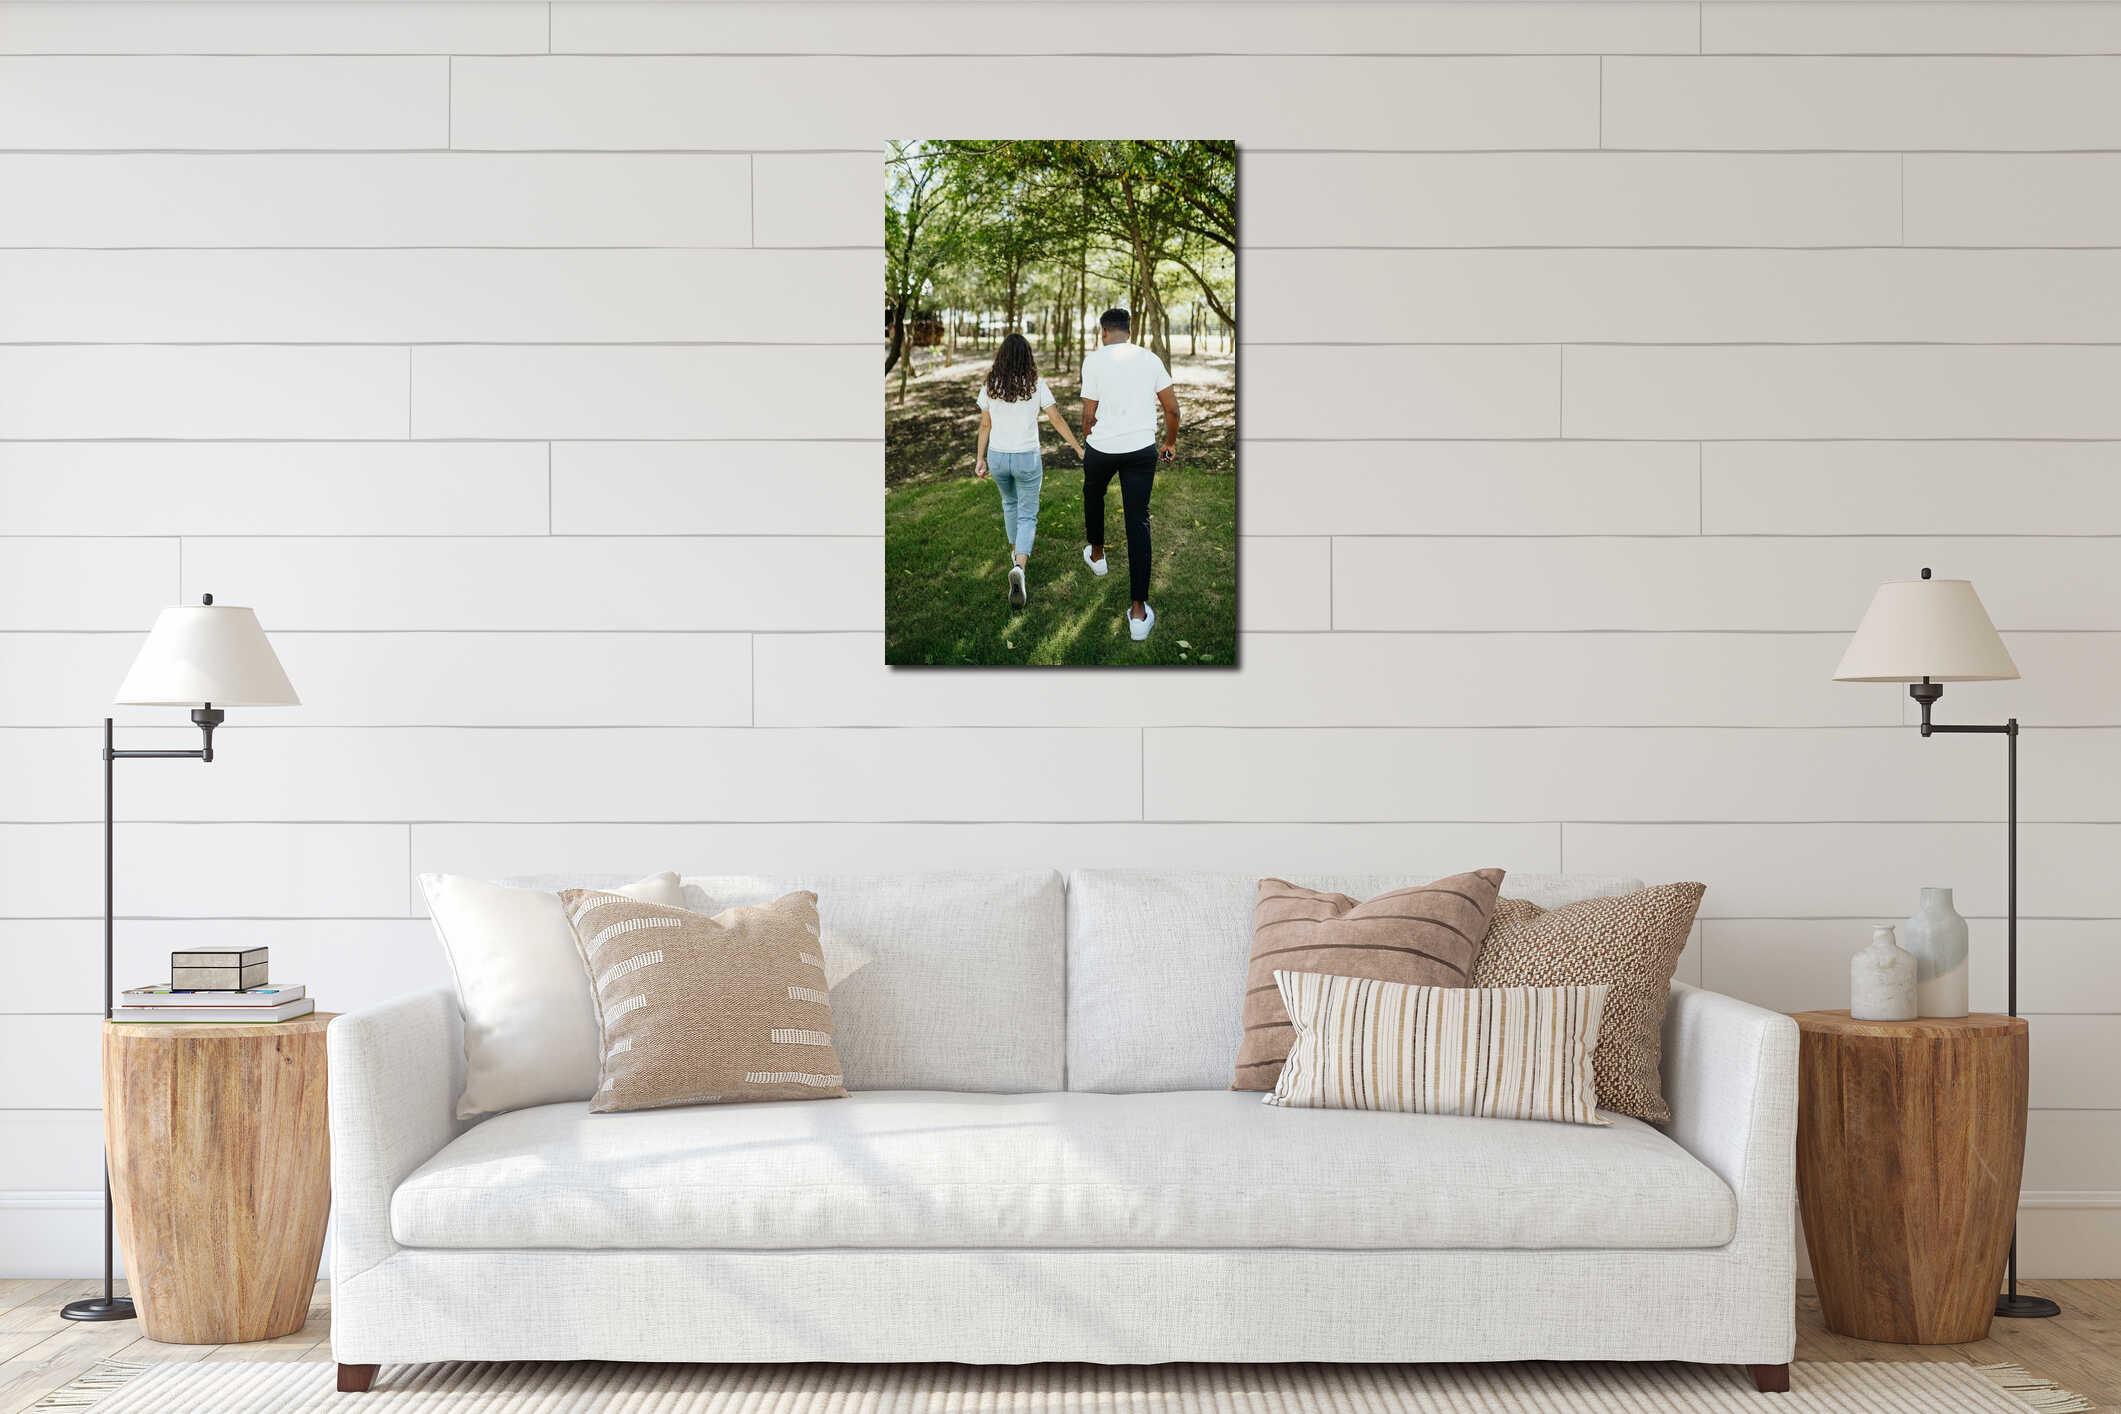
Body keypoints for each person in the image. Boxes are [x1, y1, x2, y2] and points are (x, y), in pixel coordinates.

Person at [1078, 308, 1179, 641]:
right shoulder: (1150, 359)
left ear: (1103, 332)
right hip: (1140, 449)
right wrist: (1169, 442)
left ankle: (1097, 554)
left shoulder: (1093, 360)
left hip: (1102, 448)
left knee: (1093, 493)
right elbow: (1172, 408)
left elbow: (1088, 413)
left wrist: (1090, 438)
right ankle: (1138, 613)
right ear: (1129, 331)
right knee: (1138, 521)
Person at [974, 332, 1082, 609]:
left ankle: (1015, 555)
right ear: (1027, 357)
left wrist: (980, 458)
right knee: (1027, 514)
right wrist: (1078, 448)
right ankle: (1020, 568)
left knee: (1010, 505)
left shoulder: (991, 384)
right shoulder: (1036, 384)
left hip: (997, 457)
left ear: (1002, 356)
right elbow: (1056, 419)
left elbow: (985, 425)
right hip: (1026, 459)